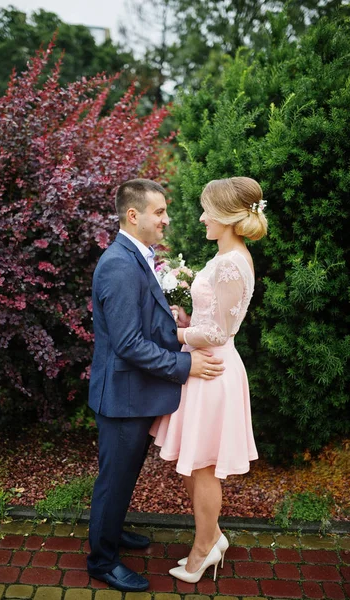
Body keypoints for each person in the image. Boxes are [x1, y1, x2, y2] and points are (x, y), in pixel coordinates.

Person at [87, 178, 225, 593]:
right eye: (159, 212)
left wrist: (175, 324)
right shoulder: (119, 264)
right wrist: (184, 366)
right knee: (114, 480)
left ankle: (110, 531)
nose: (167, 219)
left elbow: (142, 325)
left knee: (123, 477)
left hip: (136, 393)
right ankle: (102, 560)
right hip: (123, 396)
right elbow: (128, 344)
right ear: (134, 215)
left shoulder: (138, 256)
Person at [151, 176, 268, 583]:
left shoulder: (233, 261)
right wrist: (186, 320)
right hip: (201, 365)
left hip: (212, 370)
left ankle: (203, 550)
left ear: (229, 217)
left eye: (208, 210)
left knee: (203, 468)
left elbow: (221, 332)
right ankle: (212, 536)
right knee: (192, 465)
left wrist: (174, 335)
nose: (202, 217)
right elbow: (213, 318)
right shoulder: (225, 257)